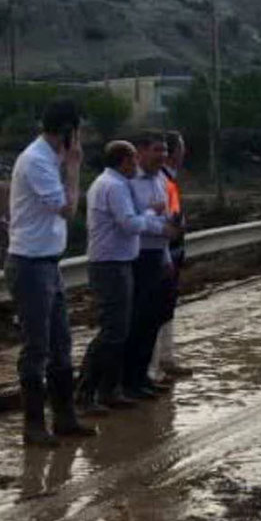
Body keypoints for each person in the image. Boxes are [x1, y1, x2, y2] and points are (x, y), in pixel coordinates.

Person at [4, 99, 94, 446]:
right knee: (37, 347)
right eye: (78, 131)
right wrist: (74, 168)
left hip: (48, 263)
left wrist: (67, 161)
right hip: (29, 265)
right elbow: (68, 208)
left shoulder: (48, 157)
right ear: (68, 132)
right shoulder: (37, 161)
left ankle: (65, 418)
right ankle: (33, 425)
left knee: (61, 344)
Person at [77, 141, 177, 414]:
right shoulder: (116, 186)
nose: (137, 163)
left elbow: (136, 220)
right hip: (112, 263)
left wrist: (157, 224)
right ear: (124, 161)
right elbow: (130, 223)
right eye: (134, 159)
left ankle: (112, 389)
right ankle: (87, 392)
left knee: (126, 328)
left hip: (122, 260)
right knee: (114, 331)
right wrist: (154, 219)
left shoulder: (120, 183)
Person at [121, 133, 175, 400]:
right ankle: (127, 380)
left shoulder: (162, 180)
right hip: (136, 256)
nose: (162, 155)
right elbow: (132, 223)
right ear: (140, 151)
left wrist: (166, 256)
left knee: (152, 321)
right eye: (157, 150)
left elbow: (168, 220)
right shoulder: (129, 182)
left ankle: (143, 378)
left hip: (156, 256)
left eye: (165, 150)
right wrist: (160, 225)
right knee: (136, 322)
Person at [149, 131, 193, 382]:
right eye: (181, 148)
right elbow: (171, 218)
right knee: (158, 307)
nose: (182, 153)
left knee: (167, 306)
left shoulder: (169, 180)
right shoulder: (163, 181)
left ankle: (165, 359)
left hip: (172, 249)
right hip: (163, 251)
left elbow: (176, 215)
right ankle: (154, 366)